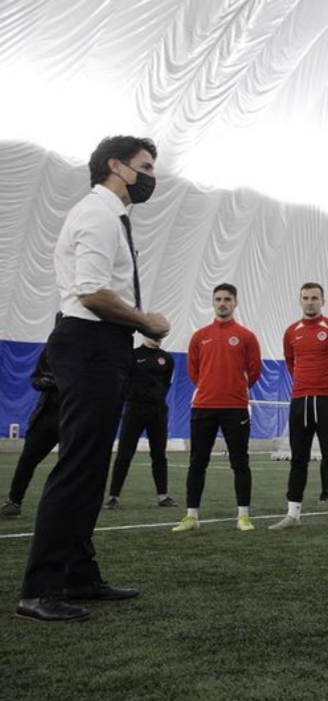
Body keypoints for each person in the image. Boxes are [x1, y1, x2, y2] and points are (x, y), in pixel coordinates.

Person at [18, 136, 170, 623]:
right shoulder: (97, 214)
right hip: (89, 342)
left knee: (89, 465)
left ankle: (78, 574)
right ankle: (39, 590)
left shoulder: (111, 217)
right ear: (116, 166)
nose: (151, 176)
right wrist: (145, 321)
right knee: (78, 466)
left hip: (103, 346)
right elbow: (91, 292)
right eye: (145, 166)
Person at [172, 284, 261, 533]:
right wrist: (210, 387)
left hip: (235, 408)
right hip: (203, 407)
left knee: (240, 462)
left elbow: (254, 371)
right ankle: (191, 517)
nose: (222, 303)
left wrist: (234, 388)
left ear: (235, 303)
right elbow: (193, 371)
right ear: (213, 302)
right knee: (197, 463)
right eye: (218, 299)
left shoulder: (246, 336)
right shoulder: (199, 336)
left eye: (227, 299)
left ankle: (243, 516)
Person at [270, 283, 328, 531]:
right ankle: (293, 514)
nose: (310, 302)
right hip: (300, 400)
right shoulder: (291, 332)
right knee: (299, 458)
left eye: (314, 298)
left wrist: (327, 379)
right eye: (305, 298)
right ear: (300, 301)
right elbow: (290, 361)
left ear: (323, 301)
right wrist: (305, 381)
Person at [105, 335, 175, 508]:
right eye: (154, 333)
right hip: (134, 411)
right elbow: (123, 382)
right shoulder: (132, 355)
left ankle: (163, 496)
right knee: (124, 454)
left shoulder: (167, 358)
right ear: (145, 333)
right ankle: (114, 497)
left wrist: (155, 398)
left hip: (158, 411)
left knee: (159, 455)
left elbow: (166, 383)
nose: (158, 337)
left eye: (161, 335)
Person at [2, 346, 60, 518]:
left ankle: (62, 508)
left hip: (72, 417)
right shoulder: (50, 350)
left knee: (67, 466)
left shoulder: (84, 351)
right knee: (27, 459)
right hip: (45, 416)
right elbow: (35, 378)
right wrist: (44, 382)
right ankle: (14, 502)